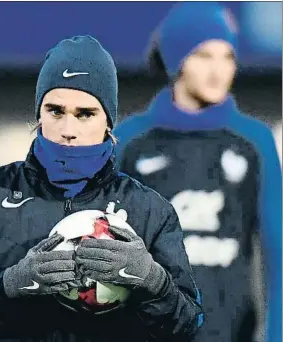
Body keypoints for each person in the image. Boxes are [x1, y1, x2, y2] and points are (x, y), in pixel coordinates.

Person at [0, 35, 203, 342]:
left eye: (85, 114)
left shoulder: (148, 210)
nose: (68, 130)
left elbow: (187, 324)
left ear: (108, 121)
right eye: (56, 111)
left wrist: (154, 281)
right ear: (38, 114)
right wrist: (9, 284)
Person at [114, 3, 282, 342]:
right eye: (204, 56)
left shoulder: (254, 141)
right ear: (178, 61)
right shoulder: (131, 142)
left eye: (228, 57)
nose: (218, 70)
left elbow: (277, 250)